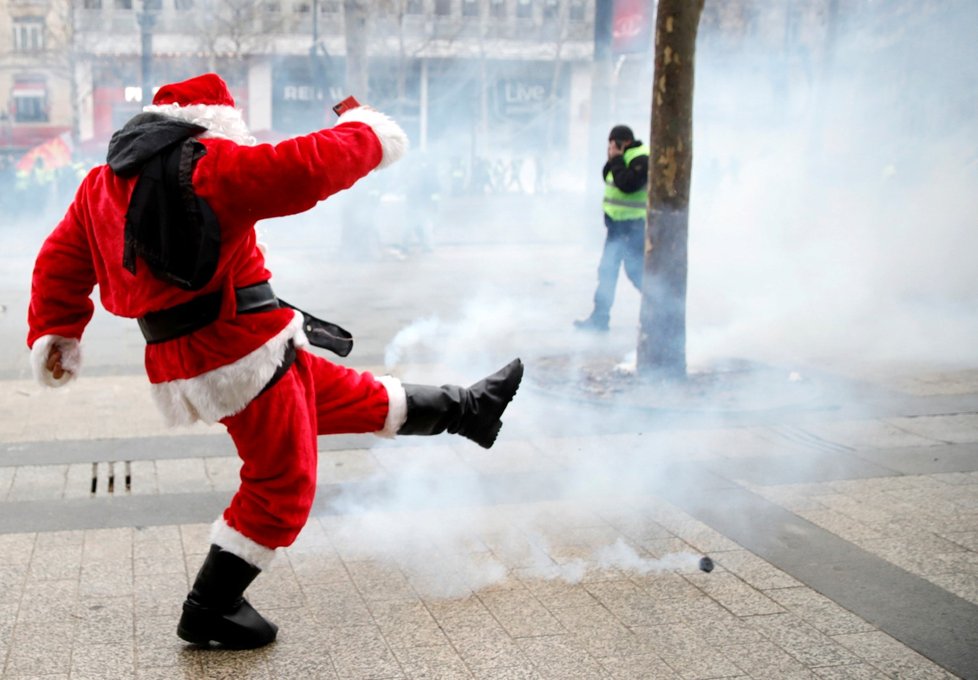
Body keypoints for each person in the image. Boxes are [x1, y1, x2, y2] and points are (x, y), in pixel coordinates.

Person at [27, 73, 523, 650]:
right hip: (239, 353)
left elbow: (60, 256)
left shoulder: (100, 182)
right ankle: (210, 608)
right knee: (282, 482)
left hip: (216, 349)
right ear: (214, 121)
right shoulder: (208, 163)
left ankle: (470, 410)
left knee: (349, 395)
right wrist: (366, 131)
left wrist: (56, 332)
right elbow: (303, 167)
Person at [574, 124, 649, 332]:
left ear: (624, 142)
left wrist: (616, 159)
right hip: (617, 229)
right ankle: (600, 319)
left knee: (636, 272)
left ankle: (660, 309)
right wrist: (613, 159)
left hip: (633, 228)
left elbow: (628, 184)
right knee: (607, 272)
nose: (610, 147)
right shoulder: (623, 158)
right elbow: (608, 175)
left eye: (613, 143)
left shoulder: (641, 158)